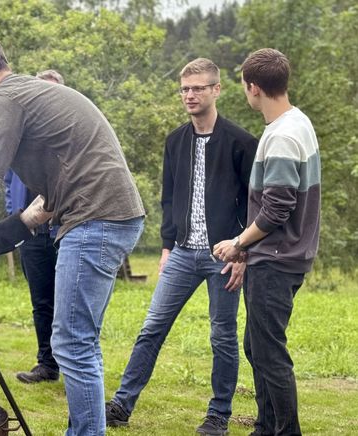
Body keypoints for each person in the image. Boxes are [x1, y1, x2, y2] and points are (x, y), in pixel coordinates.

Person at [0, 30, 146, 436]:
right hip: (107, 216)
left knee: (71, 343)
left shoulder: (5, 100)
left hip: (95, 219)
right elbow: (43, 205)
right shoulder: (28, 96)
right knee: (79, 342)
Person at [104, 58, 258, 436]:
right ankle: (122, 405)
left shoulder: (241, 142)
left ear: (216, 90)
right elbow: (168, 199)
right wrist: (166, 247)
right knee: (152, 327)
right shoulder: (175, 141)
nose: (190, 95)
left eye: (198, 88)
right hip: (182, 254)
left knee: (222, 335)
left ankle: (218, 415)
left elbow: (257, 203)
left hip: (225, 256)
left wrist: (243, 252)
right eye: (185, 89)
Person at [213, 48, 320, 436]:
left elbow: (276, 209)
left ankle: (286, 431)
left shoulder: (283, 136)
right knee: (256, 348)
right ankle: (265, 426)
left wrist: (238, 243)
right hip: (280, 257)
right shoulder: (296, 122)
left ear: (252, 88)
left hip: (276, 259)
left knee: (270, 355)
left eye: (244, 86)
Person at [8, 69, 64, 384]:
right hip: (31, 233)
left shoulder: (68, 135)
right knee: (40, 302)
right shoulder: (23, 136)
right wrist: (14, 214)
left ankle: (74, 365)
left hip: (62, 232)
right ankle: (47, 364)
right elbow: (8, 179)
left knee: (68, 302)